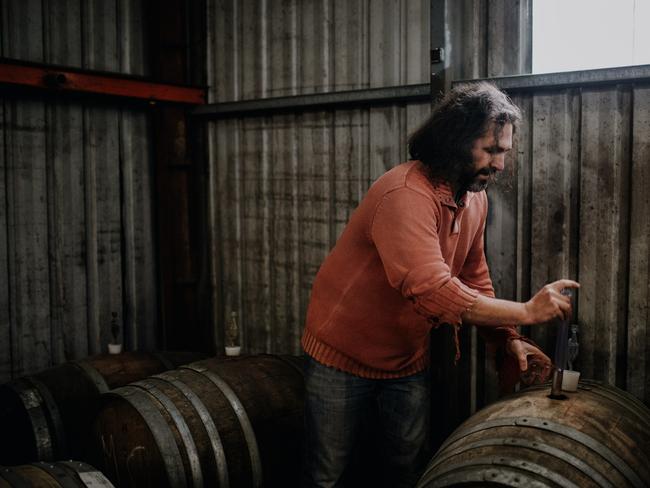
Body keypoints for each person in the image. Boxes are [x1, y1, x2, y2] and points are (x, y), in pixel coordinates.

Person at [300, 82, 579, 488]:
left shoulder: (473, 198)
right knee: (326, 475)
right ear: (456, 141)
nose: (500, 164)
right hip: (341, 358)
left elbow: (473, 274)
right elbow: (431, 290)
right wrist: (526, 311)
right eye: (491, 150)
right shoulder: (405, 193)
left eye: (504, 151)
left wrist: (505, 338)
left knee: (405, 470)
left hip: (407, 360)